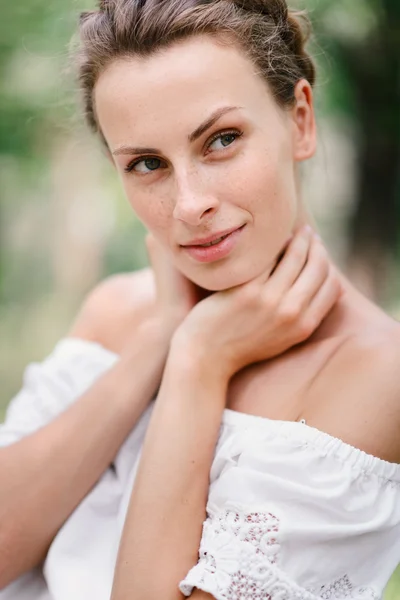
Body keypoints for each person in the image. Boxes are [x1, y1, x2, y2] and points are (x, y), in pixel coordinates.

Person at [1, 0, 400, 599]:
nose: (189, 205)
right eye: (147, 163)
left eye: (222, 140)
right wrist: (161, 339)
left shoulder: (373, 377)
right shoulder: (116, 313)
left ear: (300, 121)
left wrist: (198, 363)